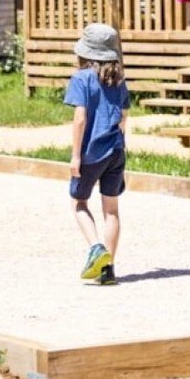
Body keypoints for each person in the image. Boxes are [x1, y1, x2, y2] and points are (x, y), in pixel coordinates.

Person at [64, 23, 129, 286]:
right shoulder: (119, 81)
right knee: (111, 210)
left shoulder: (81, 78)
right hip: (116, 149)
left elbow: (80, 119)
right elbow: (124, 117)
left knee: (79, 203)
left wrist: (75, 156)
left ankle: (96, 248)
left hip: (92, 152)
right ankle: (108, 270)